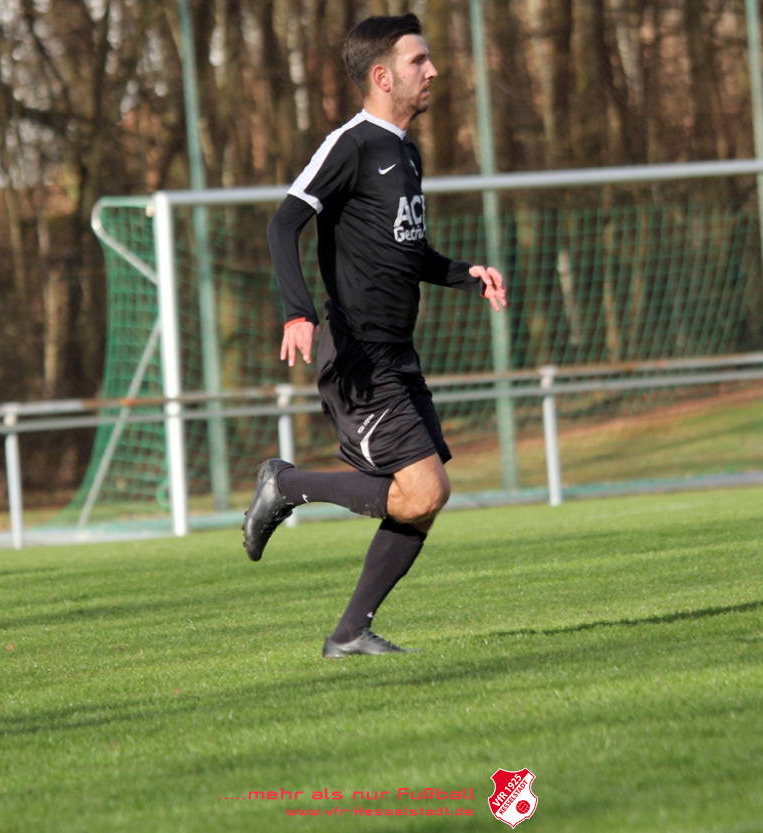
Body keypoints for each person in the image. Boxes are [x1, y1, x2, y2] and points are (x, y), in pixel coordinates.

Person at [245, 13, 507, 659]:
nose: (433, 71)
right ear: (383, 77)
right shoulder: (352, 144)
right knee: (423, 490)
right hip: (357, 353)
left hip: (397, 352)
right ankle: (286, 486)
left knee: (425, 498)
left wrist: (464, 274)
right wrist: (298, 312)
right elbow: (283, 225)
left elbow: (405, 251)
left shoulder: (407, 153)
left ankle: (348, 634)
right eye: (419, 60)